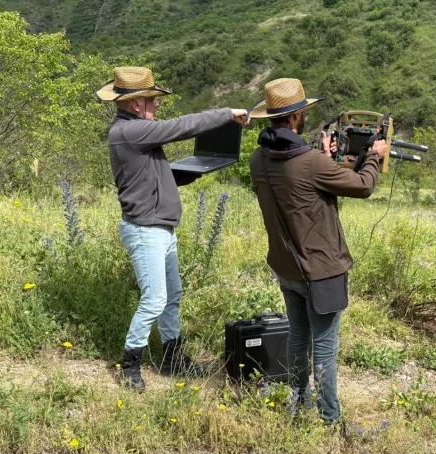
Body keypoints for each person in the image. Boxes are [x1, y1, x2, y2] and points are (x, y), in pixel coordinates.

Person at [96, 66, 249, 392]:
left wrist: (193, 170)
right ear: (137, 104)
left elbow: (152, 174)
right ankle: (129, 364)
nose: (158, 105)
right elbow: (182, 127)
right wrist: (226, 114)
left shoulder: (134, 132)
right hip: (146, 229)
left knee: (172, 296)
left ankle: (172, 357)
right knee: (154, 299)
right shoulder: (131, 131)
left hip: (159, 228)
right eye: (153, 100)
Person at [248, 78, 387, 423]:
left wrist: (327, 158)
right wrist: (372, 156)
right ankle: (329, 418)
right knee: (325, 346)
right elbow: (363, 186)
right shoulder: (311, 162)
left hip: (287, 266)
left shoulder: (258, 159)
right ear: (295, 118)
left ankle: (299, 402)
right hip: (322, 270)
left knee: (297, 336)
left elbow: (302, 188)